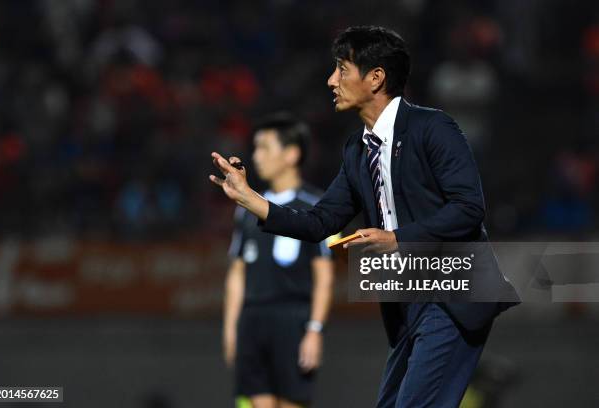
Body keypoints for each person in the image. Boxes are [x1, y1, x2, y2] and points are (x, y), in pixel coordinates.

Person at [211, 26, 518, 408]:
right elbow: (320, 222)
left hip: (453, 291)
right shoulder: (358, 149)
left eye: (341, 69)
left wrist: (396, 238)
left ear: (376, 78)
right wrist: (249, 198)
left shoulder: (432, 127)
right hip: (408, 304)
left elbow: (469, 208)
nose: (331, 80)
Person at [222, 113, 335, 408]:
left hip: (293, 321)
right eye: (255, 148)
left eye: (264, 148)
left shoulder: (314, 207)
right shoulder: (246, 208)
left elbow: (324, 275)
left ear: (291, 154)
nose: (256, 156)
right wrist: (232, 327)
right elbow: (237, 271)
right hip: (253, 320)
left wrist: (315, 329)